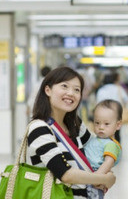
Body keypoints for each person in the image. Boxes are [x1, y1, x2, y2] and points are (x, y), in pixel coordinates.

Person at [27, 66, 116, 199]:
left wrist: (106, 169)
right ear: (48, 90)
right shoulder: (39, 128)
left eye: (76, 90)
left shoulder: (76, 125)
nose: (71, 93)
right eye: (64, 86)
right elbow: (65, 174)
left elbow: (98, 148)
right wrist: (103, 179)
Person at [84, 99, 123, 198]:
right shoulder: (94, 139)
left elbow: (108, 162)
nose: (101, 127)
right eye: (97, 123)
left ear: (118, 125)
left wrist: (96, 178)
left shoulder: (111, 145)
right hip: (86, 176)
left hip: (95, 178)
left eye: (106, 124)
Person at [96, 72, 128, 142]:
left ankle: (107, 149)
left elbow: (98, 103)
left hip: (104, 115)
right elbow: (126, 99)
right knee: (117, 133)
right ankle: (117, 149)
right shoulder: (118, 88)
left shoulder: (101, 90)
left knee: (104, 132)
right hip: (116, 114)